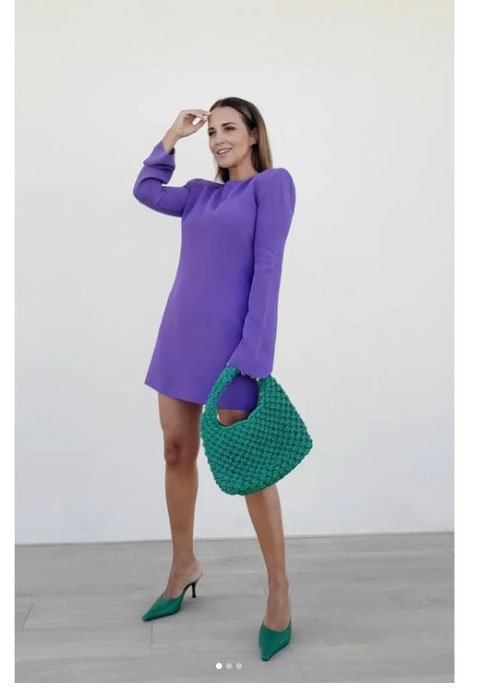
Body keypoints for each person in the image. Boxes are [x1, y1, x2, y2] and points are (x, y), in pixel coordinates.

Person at [133, 98, 296, 660]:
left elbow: (269, 268)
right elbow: (146, 190)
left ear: (253, 134)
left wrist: (256, 350)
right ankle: (183, 564)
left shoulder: (272, 186)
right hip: (180, 335)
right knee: (176, 451)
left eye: (230, 128)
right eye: (212, 131)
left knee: (250, 467)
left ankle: (279, 588)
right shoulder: (200, 194)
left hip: (235, 348)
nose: (219, 138)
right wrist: (171, 136)